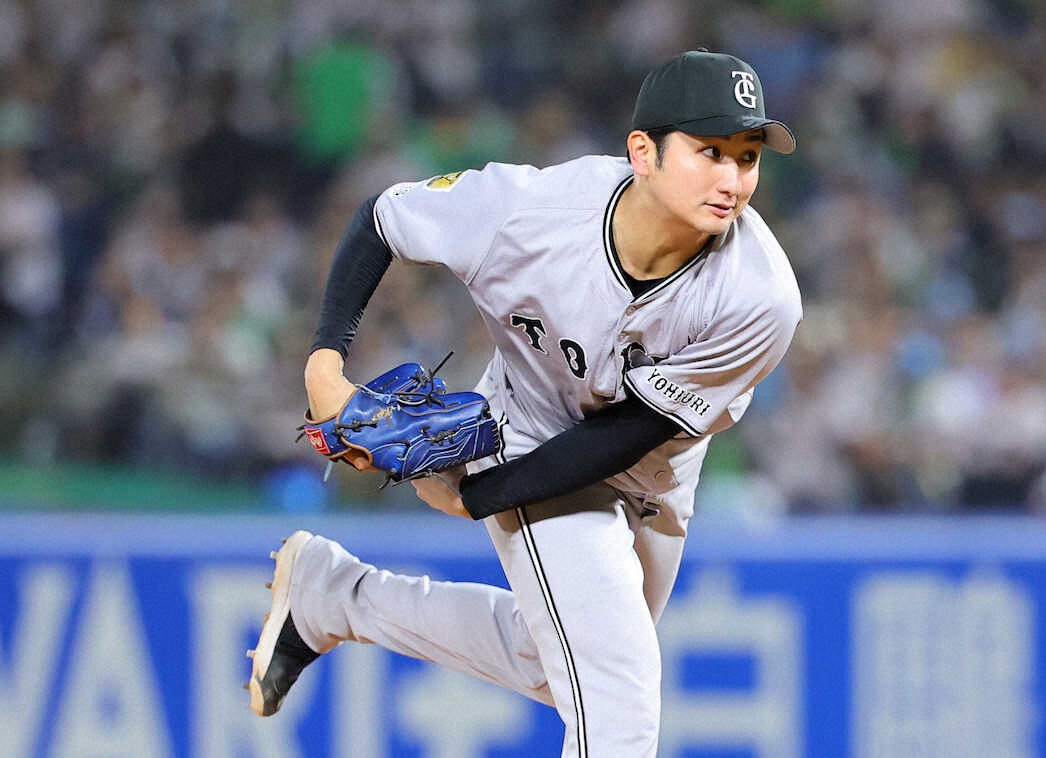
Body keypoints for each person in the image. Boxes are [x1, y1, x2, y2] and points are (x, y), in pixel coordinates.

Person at [248, 49, 802, 756]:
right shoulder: (532, 212)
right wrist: (325, 365)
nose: (732, 178)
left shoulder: (760, 297)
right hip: (529, 430)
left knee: (554, 661)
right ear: (643, 152)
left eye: (748, 157)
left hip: (658, 464)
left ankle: (333, 595)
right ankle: (332, 596)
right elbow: (381, 220)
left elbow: (626, 433)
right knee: (619, 698)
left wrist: (476, 497)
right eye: (710, 151)